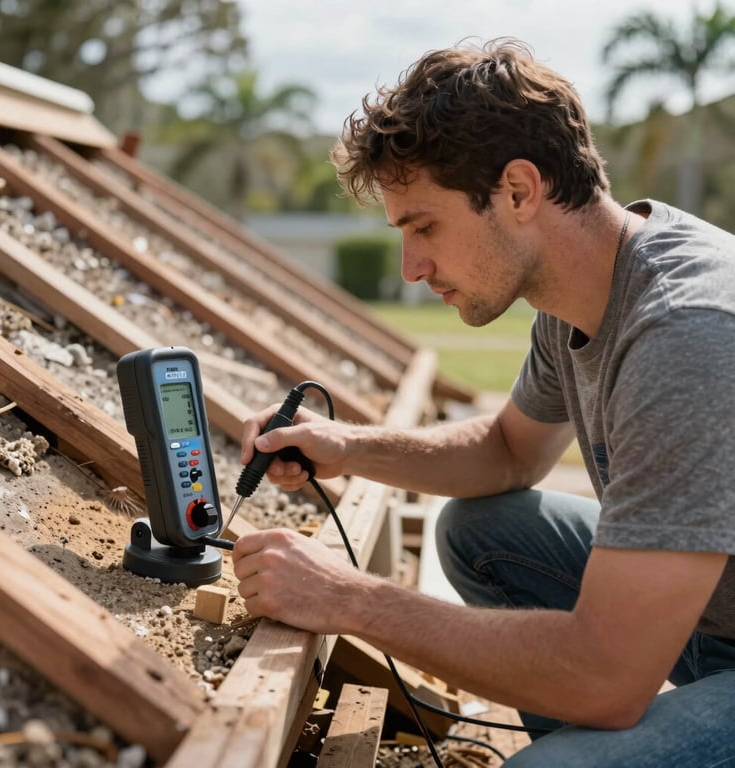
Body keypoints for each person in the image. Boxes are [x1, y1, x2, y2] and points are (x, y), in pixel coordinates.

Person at [231, 38, 735, 767]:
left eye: (425, 227)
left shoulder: (685, 333)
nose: (412, 268)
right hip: (715, 621)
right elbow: (506, 453)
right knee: (484, 528)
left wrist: (347, 598)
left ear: (520, 192)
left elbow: (610, 677)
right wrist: (349, 449)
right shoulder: (578, 299)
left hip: (694, 644)